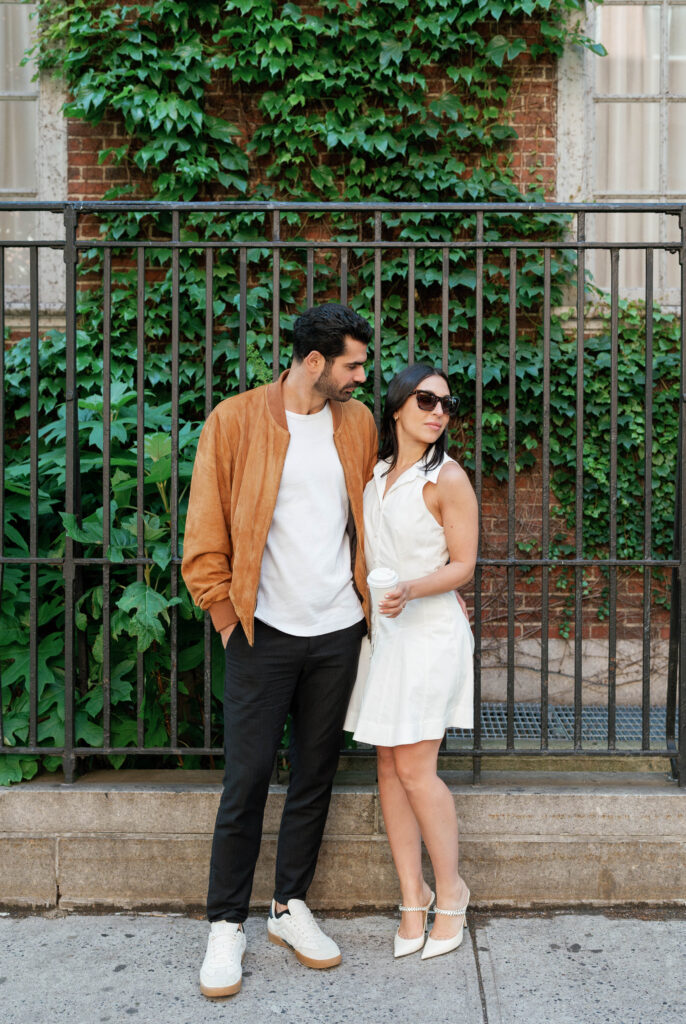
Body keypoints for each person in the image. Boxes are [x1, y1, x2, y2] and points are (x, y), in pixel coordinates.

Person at [181, 303, 377, 998]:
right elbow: (203, 538)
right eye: (353, 363)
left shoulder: (356, 425)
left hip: (336, 632)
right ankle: (225, 924)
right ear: (315, 362)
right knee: (247, 781)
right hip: (262, 633)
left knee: (315, 775)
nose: (361, 375)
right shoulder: (234, 421)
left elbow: (367, 520)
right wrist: (232, 624)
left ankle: (288, 907)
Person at [344, 363, 478, 961]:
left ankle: (451, 892)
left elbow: (464, 566)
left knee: (417, 770)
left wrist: (409, 590)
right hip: (387, 639)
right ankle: (411, 895)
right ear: (397, 406)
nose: (437, 412)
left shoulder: (446, 477)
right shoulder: (373, 477)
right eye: (426, 400)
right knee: (388, 769)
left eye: (447, 405)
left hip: (429, 633)